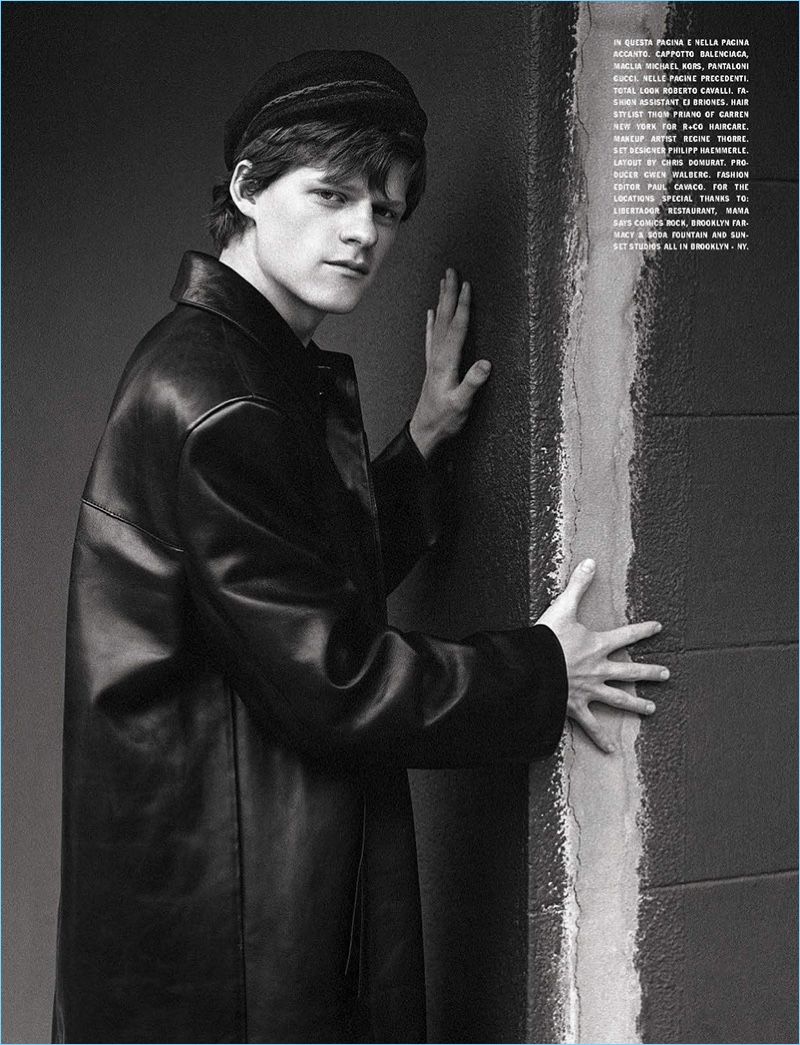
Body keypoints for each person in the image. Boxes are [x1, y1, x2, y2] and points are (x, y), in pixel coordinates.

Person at [52, 49, 667, 1044]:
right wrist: (541, 670)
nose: (362, 232)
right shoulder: (222, 396)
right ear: (247, 189)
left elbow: (284, 588)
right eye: (331, 194)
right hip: (229, 931)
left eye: (384, 209)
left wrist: (421, 442)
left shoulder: (239, 365)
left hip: (222, 895)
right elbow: (328, 678)